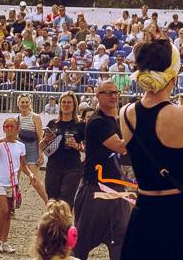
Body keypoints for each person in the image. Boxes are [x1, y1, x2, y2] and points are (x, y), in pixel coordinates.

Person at [118, 37, 183, 260]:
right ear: (173, 76)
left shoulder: (125, 113)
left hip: (144, 212)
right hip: (181, 212)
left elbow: (156, 127)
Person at [73, 80, 132, 260]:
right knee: (81, 244)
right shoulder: (97, 121)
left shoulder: (119, 121)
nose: (113, 96)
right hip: (96, 190)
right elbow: (121, 147)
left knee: (122, 242)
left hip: (118, 189)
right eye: (108, 92)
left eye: (115, 92)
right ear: (97, 96)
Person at [0, 115, 48, 252]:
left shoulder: (21, 146)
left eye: (12, 127)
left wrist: (30, 174)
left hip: (12, 183)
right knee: (4, 210)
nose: (9, 129)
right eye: (6, 126)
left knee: (9, 212)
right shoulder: (0, 143)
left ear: (17, 129)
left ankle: (5, 241)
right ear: (3, 128)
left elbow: (22, 165)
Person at [43, 92, 86, 204]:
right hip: (53, 166)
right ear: (60, 104)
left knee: (66, 202)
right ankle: (53, 222)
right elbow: (41, 147)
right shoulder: (52, 124)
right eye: (64, 102)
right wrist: (45, 139)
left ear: (74, 105)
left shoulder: (81, 124)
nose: (66, 104)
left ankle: (65, 221)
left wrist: (77, 146)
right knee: (52, 201)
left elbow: (88, 147)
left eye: (69, 102)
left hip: (73, 167)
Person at [16, 96, 46, 175]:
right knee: (15, 177)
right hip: (20, 150)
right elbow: (15, 138)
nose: (24, 104)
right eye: (22, 102)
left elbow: (40, 137)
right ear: (18, 104)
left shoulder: (35, 117)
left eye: (26, 102)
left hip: (33, 149)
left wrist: (41, 154)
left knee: (35, 178)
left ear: (30, 103)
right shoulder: (17, 118)